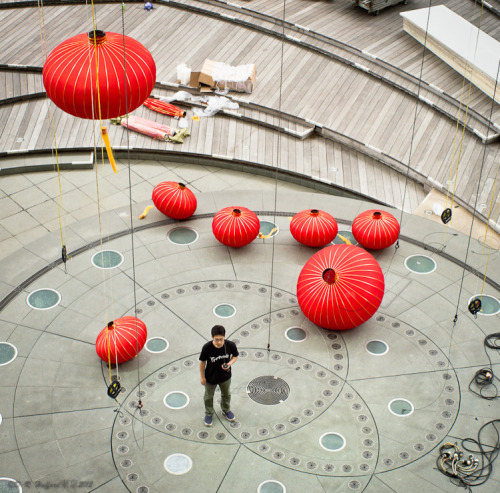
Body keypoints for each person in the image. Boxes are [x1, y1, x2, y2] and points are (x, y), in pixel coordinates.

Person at [199, 325, 239, 427]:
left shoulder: (230, 345)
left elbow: (235, 356)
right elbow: (202, 362)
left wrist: (229, 364)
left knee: (226, 394)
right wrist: (202, 377)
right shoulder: (207, 347)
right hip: (210, 377)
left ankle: (226, 410)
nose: (219, 342)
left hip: (225, 377)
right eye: (216, 340)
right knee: (208, 396)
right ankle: (209, 414)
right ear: (212, 337)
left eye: (221, 339)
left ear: (224, 337)